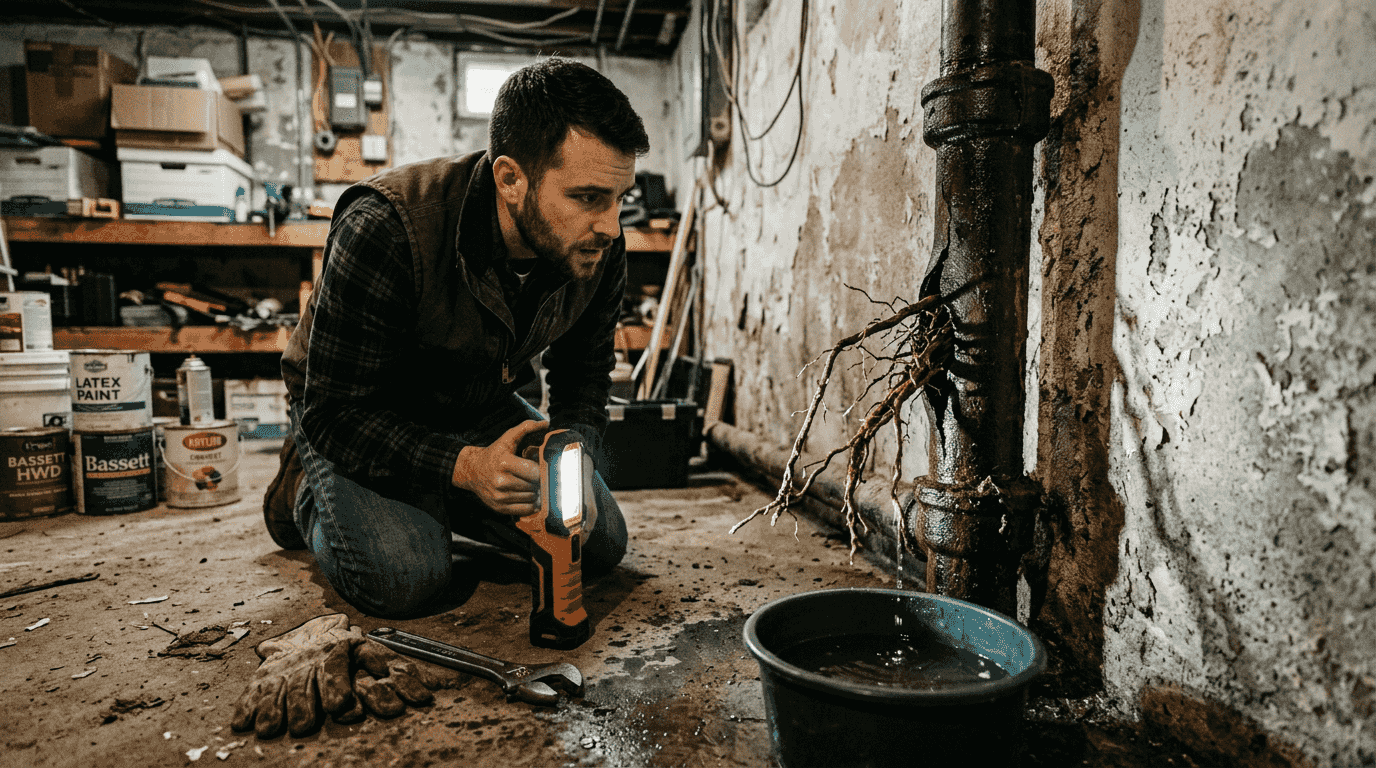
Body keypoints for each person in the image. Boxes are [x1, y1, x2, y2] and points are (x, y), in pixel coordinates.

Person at [261, 58, 649, 619]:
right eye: (588, 198)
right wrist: (467, 468)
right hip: (362, 413)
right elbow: (336, 409)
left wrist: (575, 460)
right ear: (511, 178)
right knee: (405, 576)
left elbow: (582, 375)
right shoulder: (386, 226)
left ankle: (438, 498)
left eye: (619, 199)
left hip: (475, 399)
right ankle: (308, 485)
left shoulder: (597, 244)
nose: (611, 226)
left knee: (595, 542)